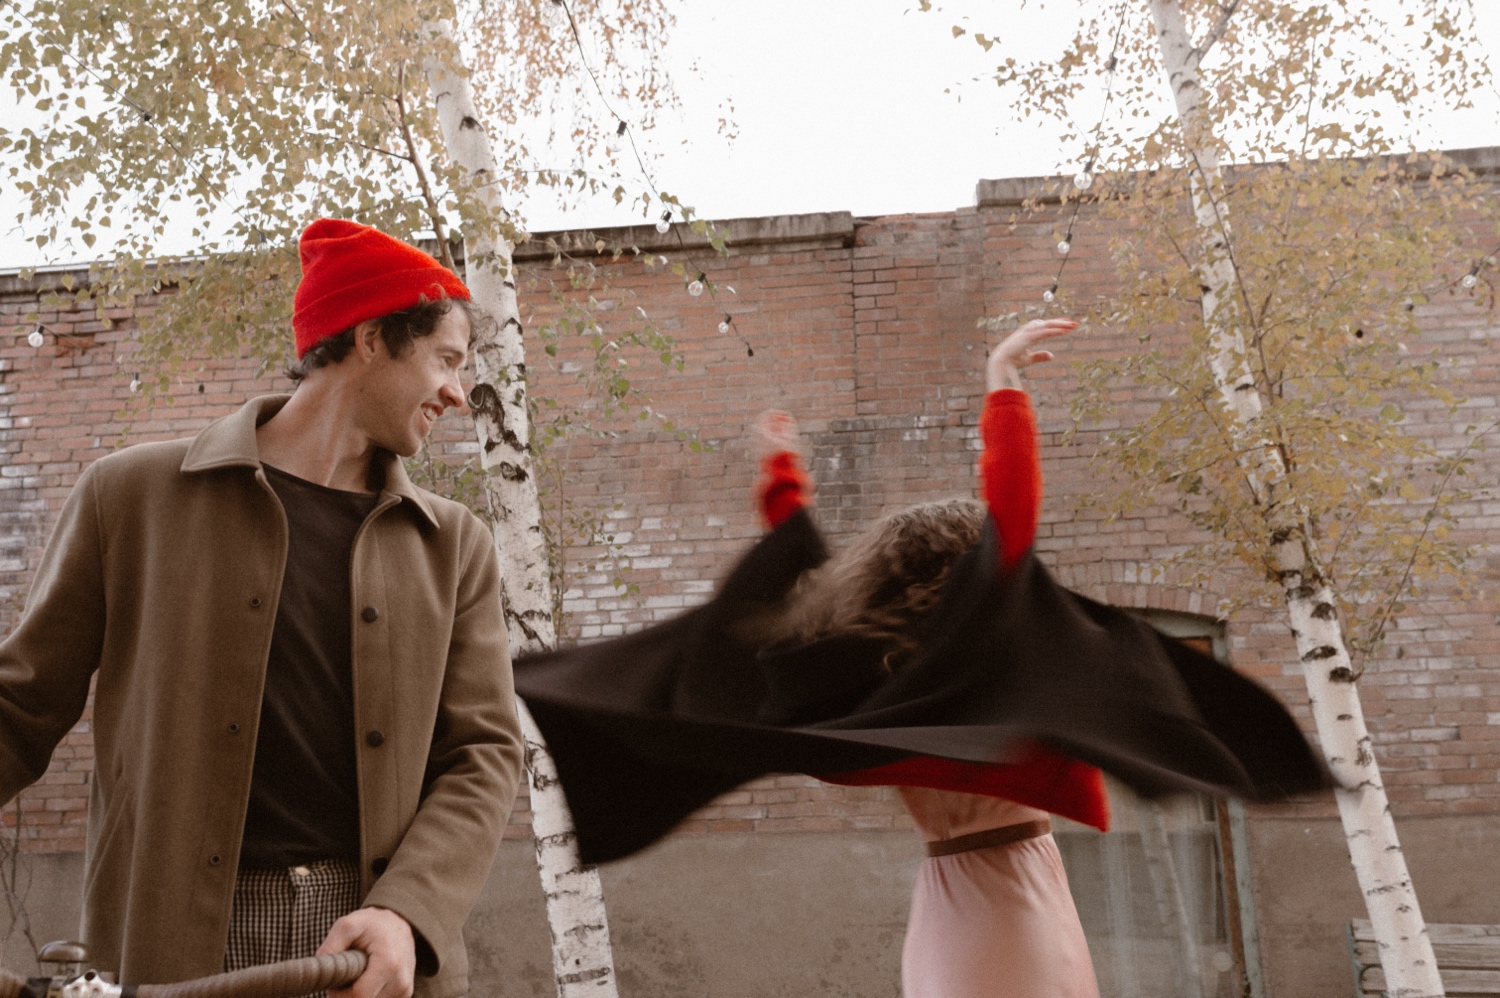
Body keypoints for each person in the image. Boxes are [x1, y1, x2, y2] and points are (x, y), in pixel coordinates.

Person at [0, 219, 525, 998]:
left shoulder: (454, 544)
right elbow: (20, 706)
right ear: (373, 338)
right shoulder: (130, 497)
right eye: (446, 359)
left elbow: (482, 755)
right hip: (178, 937)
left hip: (367, 940)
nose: (457, 390)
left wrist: (405, 912)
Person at [749, 318, 1099, 997]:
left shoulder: (887, 681)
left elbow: (809, 581)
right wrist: (1002, 381)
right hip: (1017, 888)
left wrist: (782, 478)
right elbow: (1014, 512)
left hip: (944, 894)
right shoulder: (981, 669)